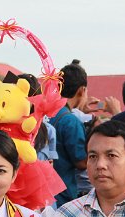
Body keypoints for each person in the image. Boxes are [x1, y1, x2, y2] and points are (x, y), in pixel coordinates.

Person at [51, 62, 88, 204]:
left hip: (43, 190)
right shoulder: (70, 121)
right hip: (62, 193)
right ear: (81, 90)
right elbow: (81, 162)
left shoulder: (46, 112)